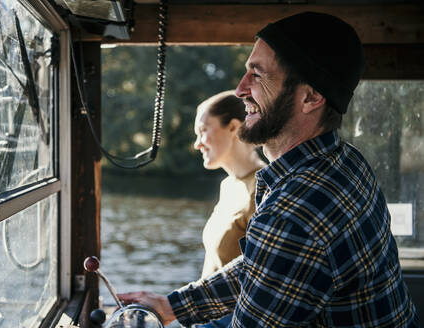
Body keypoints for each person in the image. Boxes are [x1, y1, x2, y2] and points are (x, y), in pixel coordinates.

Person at [118, 12, 419, 327]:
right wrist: (172, 307)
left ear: (311, 97)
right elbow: (266, 268)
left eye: (257, 75)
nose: (240, 89)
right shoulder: (347, 161)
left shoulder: (293, 213)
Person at [193, 91, 266, 327]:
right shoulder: (228, 185)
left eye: (203, 131)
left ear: (234, 127)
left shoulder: (265, 188)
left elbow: (261, 283)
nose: (197, 143)